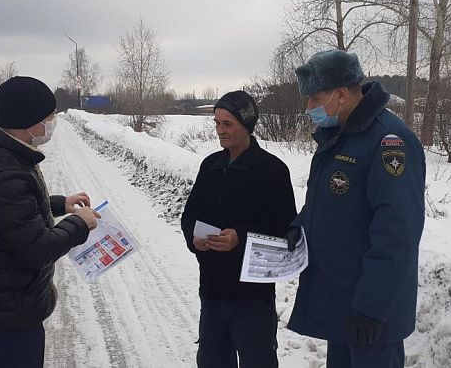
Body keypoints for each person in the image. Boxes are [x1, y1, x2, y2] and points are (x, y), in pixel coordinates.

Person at [285, 50, 426, 368]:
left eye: (314, 98)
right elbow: (330, 201)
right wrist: (301, 224)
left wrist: (372, 307)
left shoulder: (389, 141)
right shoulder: (339, 137)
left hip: (372, 315)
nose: (309, 108)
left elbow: (397, 233)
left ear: (341, 93)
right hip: (343, 303)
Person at [0, 76, 100, 368]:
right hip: (7, 311)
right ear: (30, 122)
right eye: (49, 118)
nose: (52, 123)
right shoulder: (5, 171)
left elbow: (5, 212)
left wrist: (59, 204)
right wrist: (80, 223)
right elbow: (39, 248)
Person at [181, 90, 297, 368]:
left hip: (253, 297)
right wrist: (194, 238)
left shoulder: (272, 171)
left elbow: (283, 229)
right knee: (211, 362)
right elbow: (190, 214)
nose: (220, 131)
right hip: (212, 290)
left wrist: (240, 237)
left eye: (227, 124)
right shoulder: (210, 165)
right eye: (217, 123)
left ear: (247, 125)